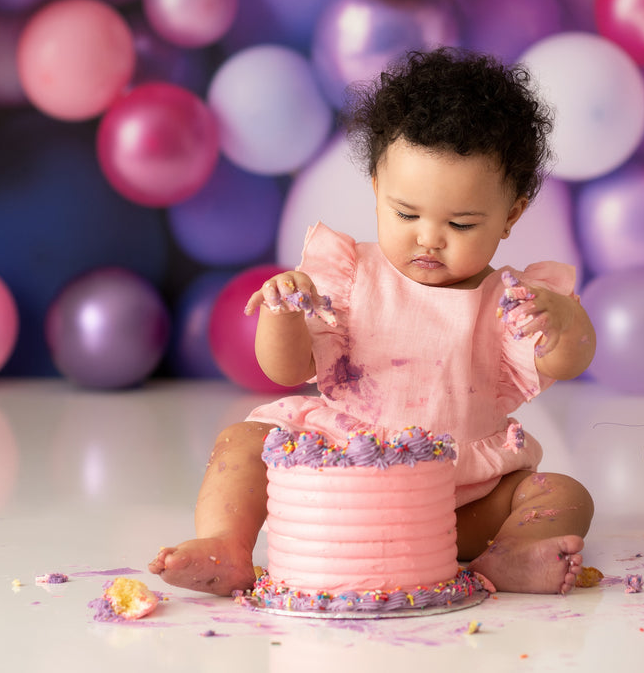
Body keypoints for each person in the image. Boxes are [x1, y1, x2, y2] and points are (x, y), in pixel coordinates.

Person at [149, 48, 596, 597]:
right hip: (337, 475)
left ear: (511, 215)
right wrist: (283, 314)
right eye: (406, 213)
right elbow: (286, 370)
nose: (428, 237)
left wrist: (564, 321)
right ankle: (225, 545)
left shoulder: (511, 301)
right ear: (377, 189)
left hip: (457, 499)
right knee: (242, 440)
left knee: (562, 493)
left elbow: (566, 361)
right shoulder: (348, 277)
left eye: (460, 223)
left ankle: (509, 556)